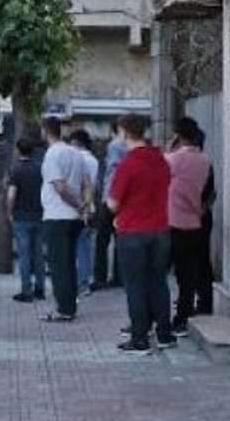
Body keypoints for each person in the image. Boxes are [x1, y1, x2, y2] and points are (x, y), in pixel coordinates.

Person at [106, 113, 176, 355]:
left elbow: (113, 203)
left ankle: (140, 339)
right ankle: (165, 334)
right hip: (161, 230)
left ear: (124, 132)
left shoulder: (128, 164)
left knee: (135, 285)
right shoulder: (161, 160)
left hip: (133, 232)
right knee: (158, 282)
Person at [168, 117, 215, 334]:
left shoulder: (170, 160)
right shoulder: (205, 161)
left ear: (178, 136)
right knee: (194, 269)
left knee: (172, 272)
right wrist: (201, 209)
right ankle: (188, 314)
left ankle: (164, 319)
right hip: (197, 223)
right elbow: (210, 193)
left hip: (173, 223)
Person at [38, 117, 86, 322]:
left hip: (57, 215)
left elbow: (59, 186)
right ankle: (70, 303)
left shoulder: (52, 154)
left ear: (45, 131)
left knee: (58, 265)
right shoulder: (76, 153)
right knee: (69, 263)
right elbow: (84, 182)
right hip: (73, 218)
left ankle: (63, 309)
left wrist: (76, 203)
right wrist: (82, 205)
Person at [7, 137, 45, 302]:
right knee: (38, 254)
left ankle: (26, 290)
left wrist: (9, 212)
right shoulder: (40, 169)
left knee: (24, 255)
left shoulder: (16, 170)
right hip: (39, 215)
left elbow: (11, 195)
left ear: (18, 150)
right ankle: (40, 288)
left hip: (21, 217)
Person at [91, 120, 127, 290]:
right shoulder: (130, 146)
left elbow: (113, 170)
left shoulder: (115, 145)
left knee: (102, 239)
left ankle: (100, 277)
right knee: (120, 238)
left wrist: (109, 196)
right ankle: (119, 276)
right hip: (125, 199)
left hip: (111, 198)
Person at [68, 129, 99, 296]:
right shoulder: (94, 160)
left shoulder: (76, 159)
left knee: (74, 247)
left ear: (76, 142)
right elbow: (93, 186)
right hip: (90, 206)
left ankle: (76, 282)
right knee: (85, 248)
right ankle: (85, 282)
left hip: (76, 207)